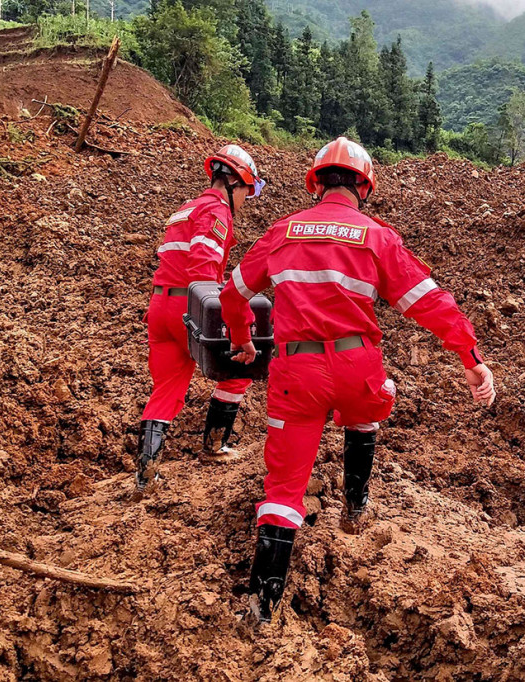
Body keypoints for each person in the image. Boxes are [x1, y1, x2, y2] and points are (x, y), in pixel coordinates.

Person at [219, 137, 496, 624]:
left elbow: (232, 295)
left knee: (283, 491)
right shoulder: (377, 237)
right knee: (368, 409)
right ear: (364, 187)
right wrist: (471, 359)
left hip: (294, 373)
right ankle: (356, 506)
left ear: (315, 183)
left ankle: (261, 608)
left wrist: (243, 341)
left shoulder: (281, 233)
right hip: (357, 366)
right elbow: (431, 304)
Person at [130, 144, 266, 490]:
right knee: (240, 366)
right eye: (247, 192)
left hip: (160, 306)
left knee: (166, 389)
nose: (245, 202)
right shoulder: (216, 212)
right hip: (189, 308)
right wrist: (232, 314)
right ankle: (215, 445)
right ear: (235, 183)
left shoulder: (186, 208)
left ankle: (146, 475)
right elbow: (203, 269)